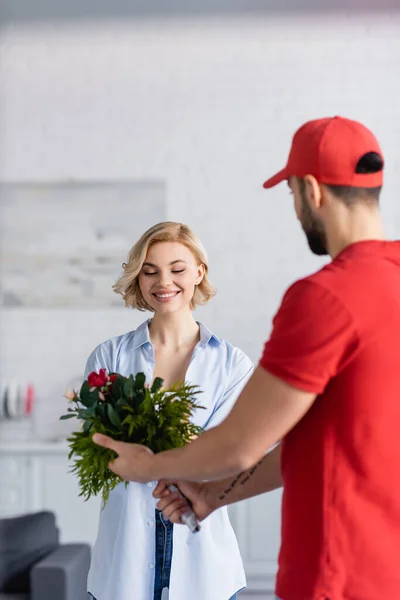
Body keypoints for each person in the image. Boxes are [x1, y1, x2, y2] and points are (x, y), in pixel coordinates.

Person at [94, 116, 400, 600]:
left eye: (292, 195)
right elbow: (311, 441)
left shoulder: (324, 298)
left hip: (338, 572)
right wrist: (211, 494)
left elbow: (239, 445)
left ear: (311, 191)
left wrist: (146, 466)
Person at [84, 221, 252, 600]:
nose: (164, 282)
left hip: (205, 565)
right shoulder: (109, 357)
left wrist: (146, 446)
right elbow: (98, 448)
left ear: (198, 272)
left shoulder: (232, 365)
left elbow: (228, 457)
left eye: (177, 269)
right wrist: (186, 446)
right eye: (150, 271)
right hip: (123, 562)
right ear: (138, 279)